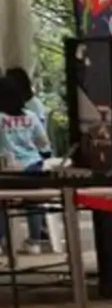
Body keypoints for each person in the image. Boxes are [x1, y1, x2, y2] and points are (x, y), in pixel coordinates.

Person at [0, 72, 53, 253]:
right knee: (33, 202)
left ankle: (1, 240)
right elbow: (43, 143)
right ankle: (35, 241)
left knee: (1, 202)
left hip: (6, 171)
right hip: (33, 167)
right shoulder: (31, 116)